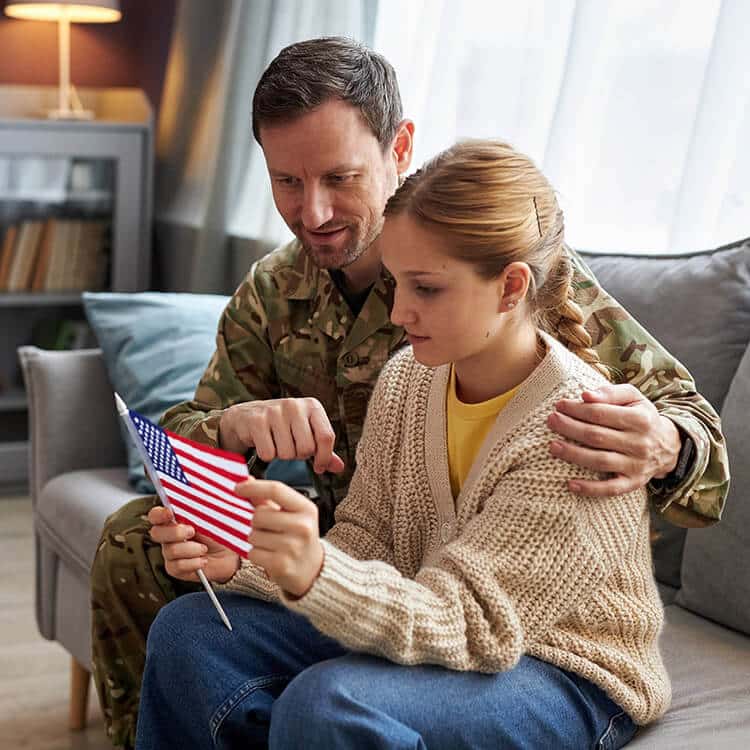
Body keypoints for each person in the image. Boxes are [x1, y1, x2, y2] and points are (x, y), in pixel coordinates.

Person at [91, 37, 726, 748]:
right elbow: (208, 452)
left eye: (340, 176)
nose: (314, 211)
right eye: (287, 182)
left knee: (328, 703)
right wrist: (238, 438)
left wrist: (667, 444)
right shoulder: (291, 300)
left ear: (400, 149)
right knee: (177, 610)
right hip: (369, 559)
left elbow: (684, 426)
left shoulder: (513, 280)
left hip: (512, 621)